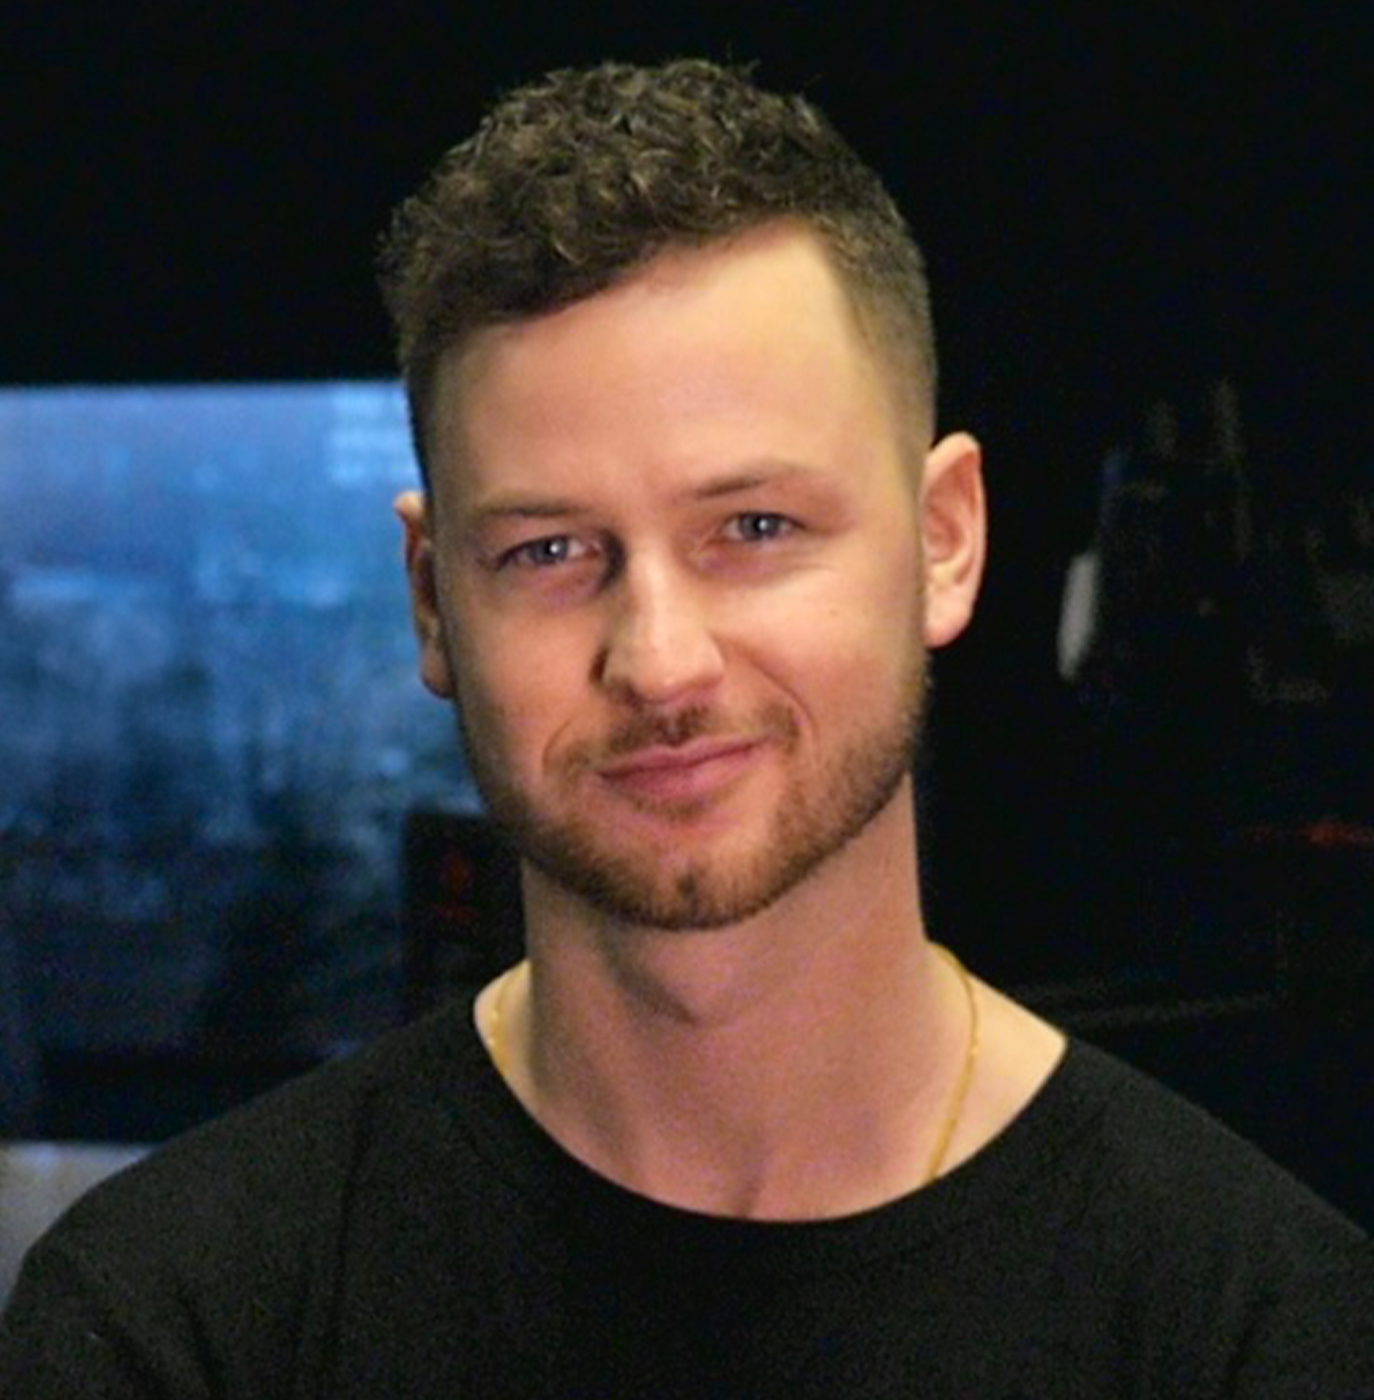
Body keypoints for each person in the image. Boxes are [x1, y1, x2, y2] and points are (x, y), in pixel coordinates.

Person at [2, 57, 1371, 1399]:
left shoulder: (1252, 1326)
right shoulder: (174, 1323)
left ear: (944, 540)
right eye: (548, 551)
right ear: (430, 601)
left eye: (754, 529)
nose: (659, 662)